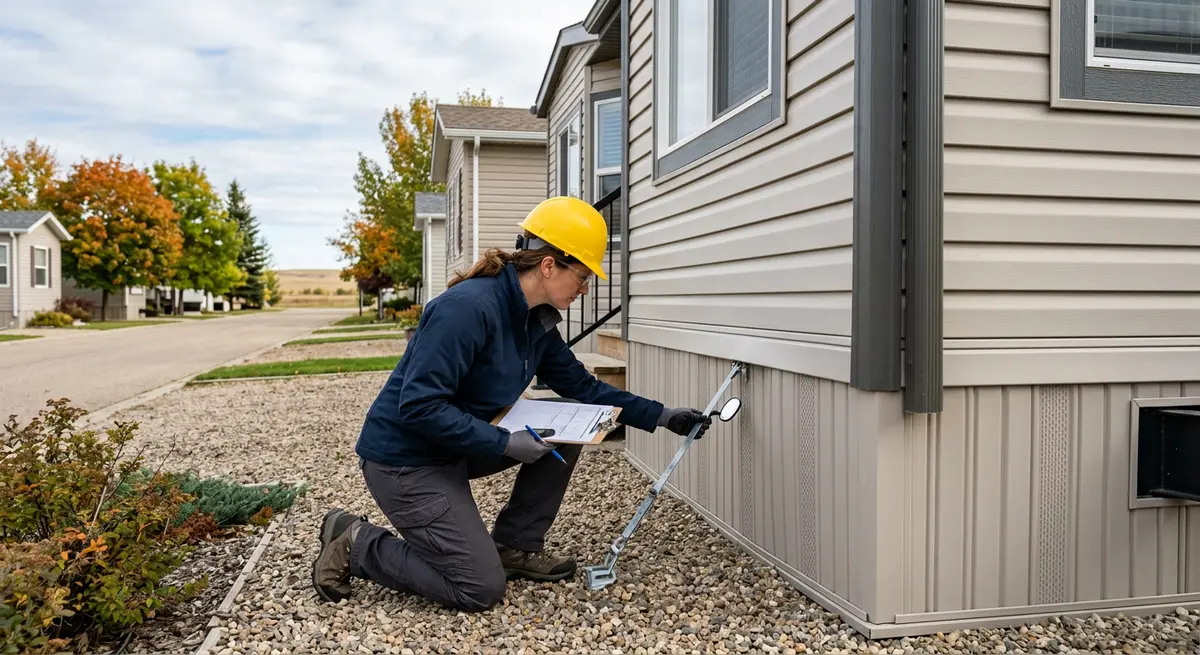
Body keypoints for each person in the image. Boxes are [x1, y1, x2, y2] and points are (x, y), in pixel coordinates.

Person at [310, 196, 713, 612]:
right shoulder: (466, 310)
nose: (586, 287)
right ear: (549, 264)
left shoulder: (534, 321)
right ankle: (355, 542)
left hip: (455, 448)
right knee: (478, 588)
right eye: (583, 274)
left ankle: (514, 546)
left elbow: (583, 388)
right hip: (405, 460)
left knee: (567, 432)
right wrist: (503, 442)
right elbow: (418, 406)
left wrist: (663, 416)